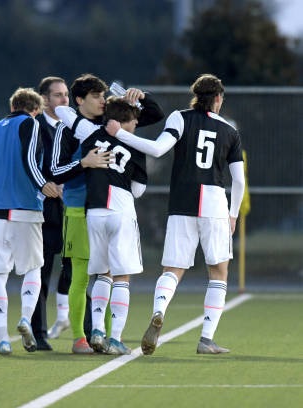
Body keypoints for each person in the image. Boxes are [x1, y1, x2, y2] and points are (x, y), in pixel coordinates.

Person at [106, 74, 245, 355]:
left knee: (173, 270)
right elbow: (239, 181)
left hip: (182, 202)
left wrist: (120, 134)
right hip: (215, 204)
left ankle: (158, 312)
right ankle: (206, 339)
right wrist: (233, 214)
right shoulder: (229, 130)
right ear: (218, 98)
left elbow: (157, 150)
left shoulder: (180, 118)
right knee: (218, 272)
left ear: (195, 96)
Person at [51, 73, 163, 354]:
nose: (138, 122)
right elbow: (137, 190)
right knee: (122, 277)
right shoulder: (136, 146)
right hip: (121, 210)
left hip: (94, 211)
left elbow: (64, 112)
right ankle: (116, 339)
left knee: (101, 274)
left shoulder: (90, 134)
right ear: (127, 121)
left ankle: (97, 330)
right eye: (134, 119)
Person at [0, 87, 62, 355]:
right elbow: (29, 159)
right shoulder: (30, 123)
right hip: (24, 206)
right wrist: (43, 185)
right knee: (33, 268)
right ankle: (26, 318)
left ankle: (3, 339)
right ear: (35, 109)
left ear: (12, 105)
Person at [29, 76, 69, 351]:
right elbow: (29, 163)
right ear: (44, 99)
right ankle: (38, 332)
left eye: (66, 95)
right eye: (58, 95)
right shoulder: (34, 128)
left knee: (78, 271)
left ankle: (85, 331)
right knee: (40, 274)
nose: (64, 100)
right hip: (45, 212)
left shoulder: (73, 128)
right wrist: (48, 185)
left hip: (73, 212)